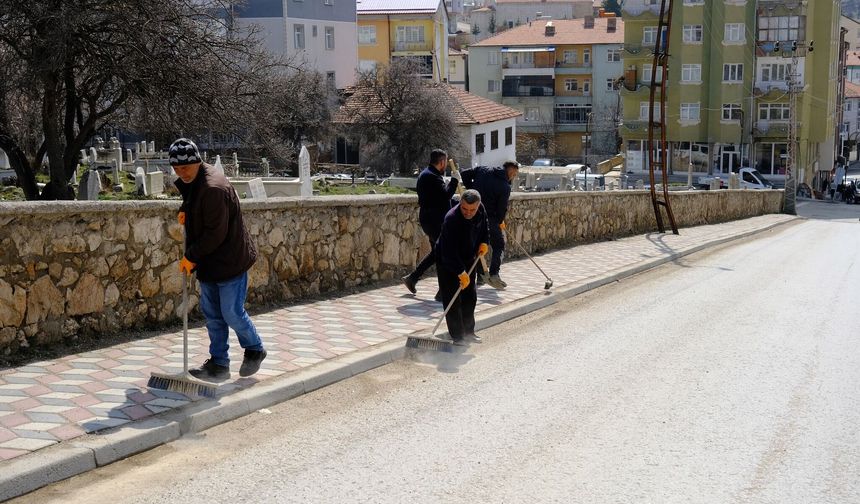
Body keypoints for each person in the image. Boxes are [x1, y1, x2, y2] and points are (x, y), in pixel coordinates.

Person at [171, 138, 267, 381]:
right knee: (213, 315)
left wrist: (191, 256)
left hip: (229, 260)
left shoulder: (213, 188)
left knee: (231, 313)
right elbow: (197, 201)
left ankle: (255, 348)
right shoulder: (196, 180)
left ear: (197, 161)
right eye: (177, 169)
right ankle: (219, 364)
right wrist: (186, 210)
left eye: (185, 167)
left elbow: (216, 233)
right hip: (210, 261)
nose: (182, 173)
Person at [402, 149, 459, 300]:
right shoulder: (432, 177)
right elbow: (446, 195)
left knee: (437, 252)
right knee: (444, 253)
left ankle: (413, 278)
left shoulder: (428, 174)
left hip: (431, 219)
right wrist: (454, 181)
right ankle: (443, 291)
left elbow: (441, 198)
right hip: (435, 220)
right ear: (442, 162)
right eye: (445, 162)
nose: (446, 165)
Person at [436, 189, 489, 345]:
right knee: (452, 299)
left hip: (469, 257)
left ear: (478, 205)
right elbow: (448, 252)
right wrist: (460, 272)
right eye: (465, 208)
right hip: (447, 260)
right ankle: (458, 336)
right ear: (460, 203)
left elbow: (484, 227)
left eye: (472, 209)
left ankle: (469, 332)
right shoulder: (451, 219)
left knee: (470, 297)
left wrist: (484, 242)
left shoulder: (481, 209)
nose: (468, 213)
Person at [459, 161, 519, 289]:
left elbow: (464, 173)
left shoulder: (483, 169)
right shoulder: (504, 186)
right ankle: (494, 274)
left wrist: (471, 192)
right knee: (499, 245)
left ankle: (481, 276)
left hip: (473, 215)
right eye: (514, 174)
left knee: (477, 245)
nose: (513, 177)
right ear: (510, 171)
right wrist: (500, 221)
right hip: (489, 219)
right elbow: (502, 208)